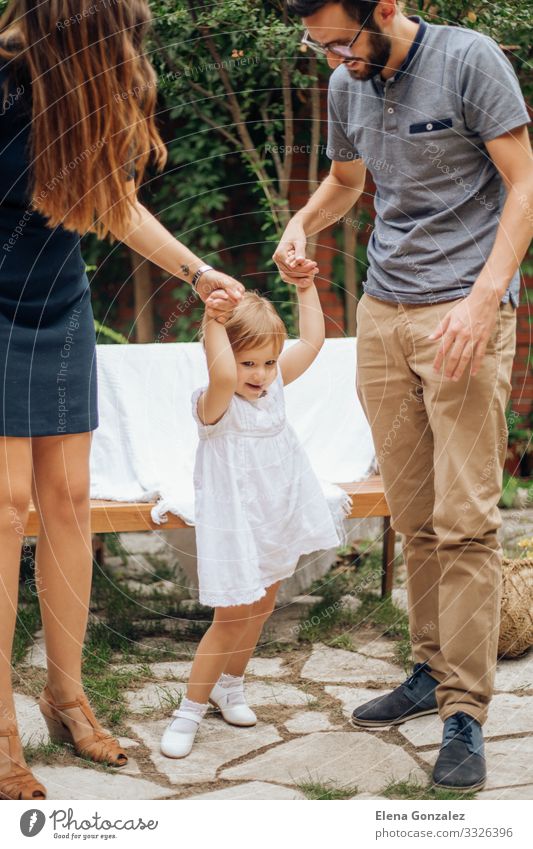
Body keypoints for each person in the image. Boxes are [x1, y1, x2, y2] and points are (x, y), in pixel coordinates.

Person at [274, 0, 533, 792]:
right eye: (317, 46)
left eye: (341, 40)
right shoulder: (348, 81)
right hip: (383, 314)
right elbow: (348, 180)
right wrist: (304, 222)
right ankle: (428, 666)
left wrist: (486, 297)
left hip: (462, 313)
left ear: (384, 7)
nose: (333, 60)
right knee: (413, 513)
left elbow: (523, 186)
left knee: (464, 522)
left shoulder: (467, 60)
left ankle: (464, 710)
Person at [0, 0, 243, 800]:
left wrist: (199, 271)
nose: (128, 54)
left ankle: (64, 692)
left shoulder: (92, 92)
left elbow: (118, 206)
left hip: (58, 305)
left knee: (69, 498)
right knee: (6, 507)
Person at [160, 284, 343, 758]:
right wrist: (214, 317)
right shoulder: (215, 401)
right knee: (230, 617)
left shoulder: (274, 382)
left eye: (268, 362)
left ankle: (231, 686)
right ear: (225, 358)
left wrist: (305, 288)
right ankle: (189, 710)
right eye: (248, 363)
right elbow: (222, 370)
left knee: (263, 605)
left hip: (276, 513)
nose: (260, 374)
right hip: (236, 523)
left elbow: (314, 342)